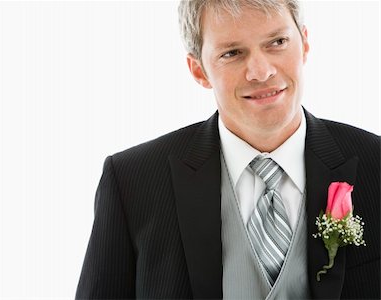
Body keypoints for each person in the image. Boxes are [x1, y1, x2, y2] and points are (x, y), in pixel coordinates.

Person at [76, 0, 380, 298]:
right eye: (232, 53)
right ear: (199, 70)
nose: (261, 72)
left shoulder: (375, 163)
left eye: (277, 42)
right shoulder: (132, 181)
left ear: (305, 43)